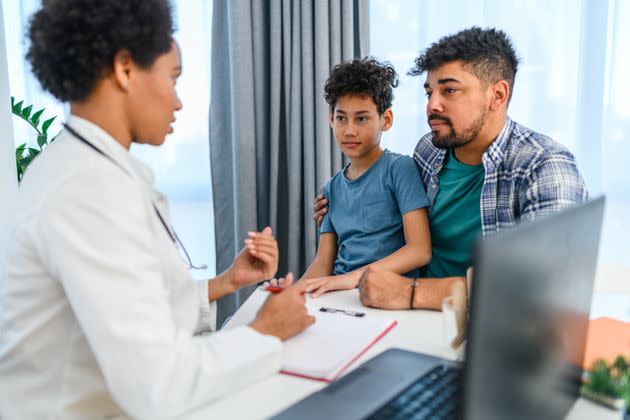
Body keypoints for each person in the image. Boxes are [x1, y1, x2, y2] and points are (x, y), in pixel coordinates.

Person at [0, 1, 313, 419]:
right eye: (173, 77)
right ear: (125, 68)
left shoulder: (86, 168)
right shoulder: (87, 190)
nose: (178, 102)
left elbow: (132, 307)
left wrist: (227, 282)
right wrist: (265, 331)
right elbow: (157, 385)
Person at [313, 27, 588, 310]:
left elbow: (543, 285)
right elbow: (392, 210)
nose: (432, 105)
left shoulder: (545, 165)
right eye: (429, 92)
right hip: (407, 316)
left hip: (483, 325)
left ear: (497, 95)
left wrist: (411, 292)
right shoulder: (428, 150)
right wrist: (338, 207)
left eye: (450, 90)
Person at [301, 58, 431, 298]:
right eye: (341, 118)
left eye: (362, 118)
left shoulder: (399, 169)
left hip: (386, 295)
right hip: (338, 294)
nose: (349, 130)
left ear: (387, 120)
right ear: (331, 119)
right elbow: (323, 262)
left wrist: (349, 279)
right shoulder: (331, 188)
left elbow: (420, 250)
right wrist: (291, 290)